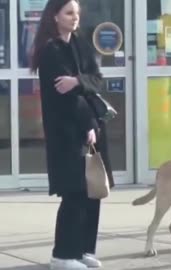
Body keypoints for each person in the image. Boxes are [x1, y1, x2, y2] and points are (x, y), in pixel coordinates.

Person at [30, 0, 114, 269]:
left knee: (92, 190)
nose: (75, 18)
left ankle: (83, 250)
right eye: (69, 13)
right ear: (55, 16)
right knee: (75, 193)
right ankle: (63, 255)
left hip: (91, 129)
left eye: (77, 13)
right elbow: (65, 97)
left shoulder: (80, 44)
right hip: (67, 131)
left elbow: (96, 79)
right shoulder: (51, 51)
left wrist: (79, 81)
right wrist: (87, 123)